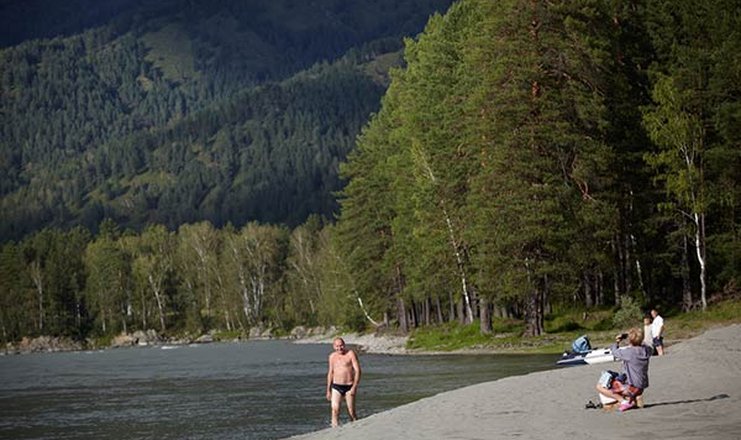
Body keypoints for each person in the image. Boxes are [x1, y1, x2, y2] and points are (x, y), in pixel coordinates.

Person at [596, 327, 652, 412]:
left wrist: (617, 341)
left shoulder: (629, 352)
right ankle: (632, 399)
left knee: (600, 386)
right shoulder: (647, 350)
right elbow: (645, 345)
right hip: (640, 387)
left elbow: (614, 351)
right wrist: (634, 338)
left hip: (631, 386)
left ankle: (623, 401)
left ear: (630, 340)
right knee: (616, 377)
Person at [326, 337, 361, 427]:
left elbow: (357, 371)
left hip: (349, 386)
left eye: (341, 345)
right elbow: (330, 373)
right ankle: (335, 429)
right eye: (337, 346)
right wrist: (328, 390)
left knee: (351, 412)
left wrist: (354, 387)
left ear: (344, 345)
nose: (339, 348)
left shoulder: (350, 354)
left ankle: (356, 427)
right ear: (334, 347)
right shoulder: (332, 357)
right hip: (336, 386)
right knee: (335, 409)